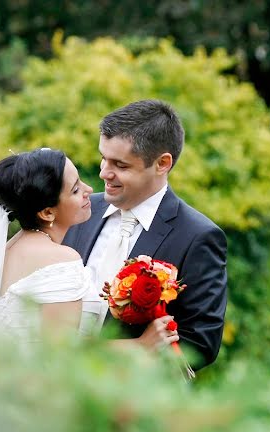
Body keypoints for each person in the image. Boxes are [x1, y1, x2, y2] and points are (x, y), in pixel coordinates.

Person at [0, 148, 180, 349]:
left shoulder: (7, 250)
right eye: (74, 189)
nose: (88, 189)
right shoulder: (61, 260)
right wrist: (141, 346)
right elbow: (63, 359)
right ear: (46, 212)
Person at [64, 99, 227, 370]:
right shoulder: (79, 211)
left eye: (121, 165)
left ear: (162, 163)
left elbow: (200, 344)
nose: (104, 172)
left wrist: (137, 357)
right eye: (103, 158)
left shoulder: (198, 236)